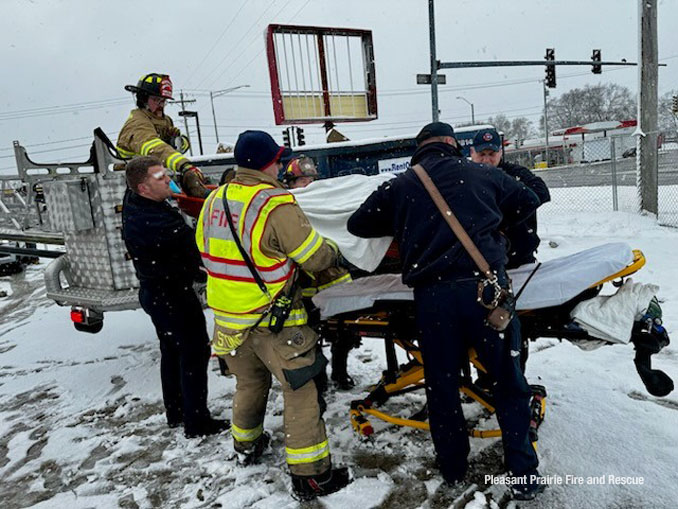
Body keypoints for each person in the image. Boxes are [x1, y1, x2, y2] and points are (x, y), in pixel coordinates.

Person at [347, 122, 545, 501]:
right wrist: (491, 219)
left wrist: (405, 221)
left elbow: (358, 224)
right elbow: (529, 200)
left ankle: (453, 468)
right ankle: (523, 472)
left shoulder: (401, 185)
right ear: (455, 145)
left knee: (442, 387)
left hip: (434, 299)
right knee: (508, 382)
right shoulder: (484, 173)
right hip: (488, 291)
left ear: (418, 149)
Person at [195, 130, 351, 501]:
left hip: (228, 319)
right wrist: (338, 253)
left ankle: (246, 446)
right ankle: (311, 475)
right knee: (299, 389)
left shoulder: (215, 199)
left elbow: (203, 249)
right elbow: (312, 256)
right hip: (272, 319)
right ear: (268, 162)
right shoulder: (274, 204)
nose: (281, 165)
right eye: (279, 159)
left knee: (249, 384)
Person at [122, 156, 229, 438]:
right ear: (143, 188)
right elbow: (196, 249)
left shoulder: (138, 201)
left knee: (172, 350)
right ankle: (197, 422)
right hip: (171, 296)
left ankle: (177, 412)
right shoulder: (155, 222)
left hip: (157, 294)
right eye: (160, 178)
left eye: (166, 174)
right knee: (194, 352)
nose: (169, 180)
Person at [117, 73, 210, 198]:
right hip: (138, 188)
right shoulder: (137, 123)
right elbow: (154, 149)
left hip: (156, 182)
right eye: (156, 100)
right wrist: (184, 165)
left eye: (163, 101)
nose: (161, 105)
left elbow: (175, 148)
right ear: (143, 99)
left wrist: (177, 141)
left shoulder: (164, 121)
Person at [470, 128, 551, 269]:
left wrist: (506, 216)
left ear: (500, 152)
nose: (486, 159)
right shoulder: (466, 178)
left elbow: (541, 192)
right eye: (481, 154)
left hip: (520, 259)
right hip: (481, 262)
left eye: (492, 154)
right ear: (472, 153)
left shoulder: (515, 173)